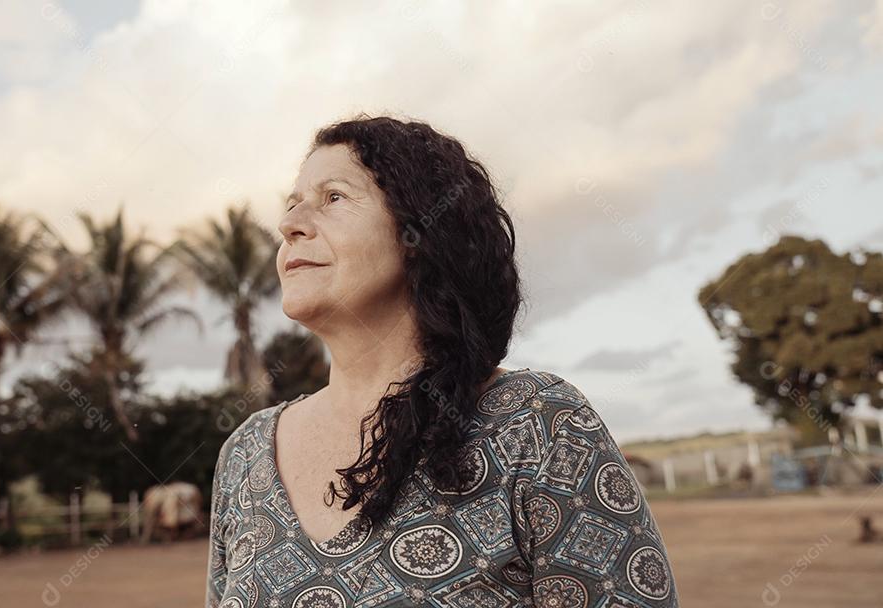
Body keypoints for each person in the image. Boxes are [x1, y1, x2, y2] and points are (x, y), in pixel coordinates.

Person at [205, 114, 678, 607]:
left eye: (334, 197)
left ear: (420, 233)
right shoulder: (245, 455)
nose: (288, 225)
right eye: (292, 205)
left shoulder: (536, 426)